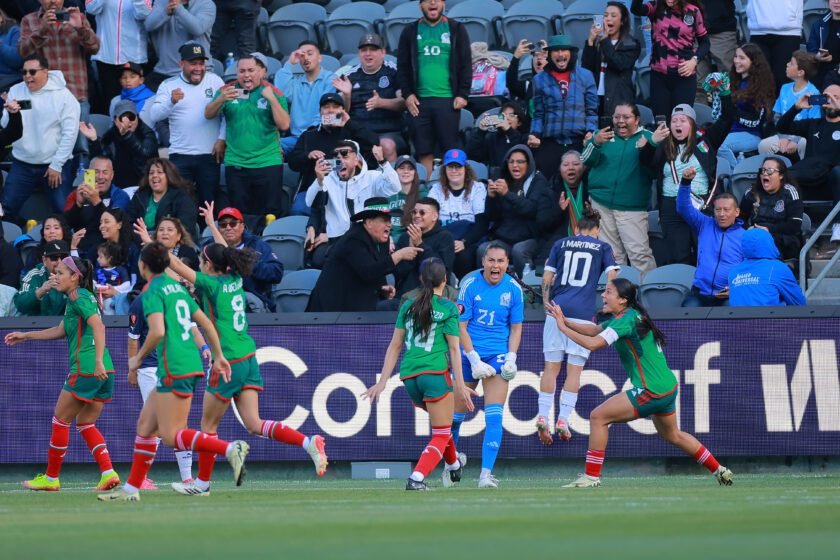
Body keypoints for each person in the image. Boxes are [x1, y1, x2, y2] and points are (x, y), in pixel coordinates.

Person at [165, 237, 329, 496]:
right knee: (254, 423)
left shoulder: (211, 283)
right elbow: (227, 254)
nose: (198, 265)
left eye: (200, 261)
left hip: (227, 359)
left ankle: (202, 484)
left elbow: (173, 264)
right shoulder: (235, 280)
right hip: (249, 358)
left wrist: (152, 242)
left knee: (208, 428)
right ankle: (309, 443)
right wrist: (211, 225)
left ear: (208, 264)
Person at [98, 241, 250, 502]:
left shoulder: (152, 292)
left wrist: (136, 359)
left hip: (173, 366)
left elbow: (156, 332)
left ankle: (229, 449)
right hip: (188, 364)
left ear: (142, 265)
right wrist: (220, 356)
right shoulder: (178, 290)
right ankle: (131, 490)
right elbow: (204, 324)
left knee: (171, 436)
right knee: (145, 426)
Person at [546, 279, 734, 488]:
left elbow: (592, 344)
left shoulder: (624, 321)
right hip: (668, 388)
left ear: (623, 300)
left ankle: (591, 477)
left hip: (650, 390)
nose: (603, 295)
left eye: (608, 292)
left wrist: (562, 328)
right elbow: (592, 331)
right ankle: (719, 469)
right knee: (673, 435)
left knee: (598, 417)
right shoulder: (628, 316)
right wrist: (563, 320)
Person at [6, 255, 119, 492]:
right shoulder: (80, 297)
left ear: (75, 277)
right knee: (86, 422)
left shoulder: (77, 296)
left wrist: (96, 361)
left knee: (60, 420)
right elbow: (61, 330)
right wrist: (26, 336)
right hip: (105, 370)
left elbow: (99, 326)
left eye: (59, 273)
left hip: (88, 367)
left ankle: (51, 478)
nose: (55, 277)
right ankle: (108, 472)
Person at [364, 258, 475, 491]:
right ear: (445, 280)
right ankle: (417, 478)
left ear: (421, 280)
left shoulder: (407, 305)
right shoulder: (448, 308)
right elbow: (455, 349)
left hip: (410, 377)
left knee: (441, 426)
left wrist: (383, 381)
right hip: (434, 373)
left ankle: (454, 464)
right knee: (442, 433)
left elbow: (395, 345)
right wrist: (461, 385)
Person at [538, 209, 617, 446]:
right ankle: (563, 419)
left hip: (557, 310)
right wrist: (608, 302)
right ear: (596, 230)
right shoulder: (602, 247)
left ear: (576, 229)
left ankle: (543, 415)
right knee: (574, 371)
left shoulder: (560, 244)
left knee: (550, 369)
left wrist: (545, 304)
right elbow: (612, 276)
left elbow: (546, 278)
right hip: (583, 315)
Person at [453, 242, 523, 488]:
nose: (495, 266)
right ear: (483, 262)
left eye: (500, 261)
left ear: (506, 264)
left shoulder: (514, 289)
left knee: (494, 417)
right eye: (491, 261)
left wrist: (511, 357)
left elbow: (516, 328)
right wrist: (473, 358)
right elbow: (460, 326)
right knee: (455, 417)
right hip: (468, 354)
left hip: (497, 356)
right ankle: (451, 464)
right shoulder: (469, 284)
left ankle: (485, 475)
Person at [127, 283, 207, 489]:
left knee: (167, 423)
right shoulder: (141, 302)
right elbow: (133, 339)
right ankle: (143, 478)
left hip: (171, 368)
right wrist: (134, 368)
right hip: (150, 369)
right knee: (157, 423)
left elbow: (194, 328)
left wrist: (205, 347)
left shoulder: (173, 300)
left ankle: (187, 477)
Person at [642, 92, 734, 266]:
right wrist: (652, 142)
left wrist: (725, 95)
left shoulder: (705, 141)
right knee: (678, 256)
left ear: (692, 124)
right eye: (674, 120)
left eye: (683, 120)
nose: (678, 124)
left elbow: (727, 120)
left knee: (706, 254)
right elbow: (645, 162)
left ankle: (704, 290)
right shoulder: (663, 144)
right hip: (671, 206)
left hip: (700, 205)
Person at [205, 53, 290, 220]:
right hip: (236, 163)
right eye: (242, 71)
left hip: (268, 161)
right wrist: (220, 100)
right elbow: (208, 114)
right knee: (239, 215)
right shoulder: (227, 91)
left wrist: (272, 100)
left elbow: (285, 125)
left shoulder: (274, 93)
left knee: (270, 214)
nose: (246, 75)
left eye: (251, 70)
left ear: (262, 72)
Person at [306, 198, 423, 313]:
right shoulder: (353, 239)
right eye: (384, 220)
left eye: (390, 220)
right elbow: (368, 271)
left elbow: (378, 270)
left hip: (354, 305)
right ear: (368, 222)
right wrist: (399, 255)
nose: (389, 225)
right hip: (330, 309)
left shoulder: (382, 239)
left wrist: (380, 288)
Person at [397, 0, 471, 177]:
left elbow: (466, 64)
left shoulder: (456, 28)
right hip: (419, 101)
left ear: (443, 4)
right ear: (419, 6)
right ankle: (428, 186)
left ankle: (450, 189)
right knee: (423, 149)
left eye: (437, 0)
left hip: (448, 99)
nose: (432, 3)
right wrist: (407, 95)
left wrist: (463, 94)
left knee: (450, 148)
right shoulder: (409, 31)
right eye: (427, 0)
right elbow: (403, 66)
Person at [2, 53, 80, 222]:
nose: (27, 77)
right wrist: (9, 112)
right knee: (7, 208)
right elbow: (4, 123)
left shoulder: (64, 96)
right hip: (23, 163)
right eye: (24, 72)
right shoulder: (16, 90)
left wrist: (57, 165)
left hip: (53, 164)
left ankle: (65, 246)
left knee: (63, 210)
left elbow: (70, 134)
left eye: (32, 72)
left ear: (46, 72)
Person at [150, 43, 225, 209]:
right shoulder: (168, 85)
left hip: (209, 154)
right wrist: (171, 101)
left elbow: (227, 113)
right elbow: (154, 115)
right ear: (181, 64)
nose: (198, 68)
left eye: (201, 63)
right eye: (193, 63)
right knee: (183, 204)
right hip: (180, 154)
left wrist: (222, 137)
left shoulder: (215, 81)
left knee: (209, 204)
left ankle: (208, 235)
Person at [583, 102, 656, 273]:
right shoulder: (602, 135)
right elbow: (585, 160)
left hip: (632, 207)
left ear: (637, 119)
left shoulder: (648, 137)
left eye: (626, 117)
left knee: (639, 255)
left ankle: (648, 297)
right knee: (612, 256)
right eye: (617, 117)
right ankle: (617, 296)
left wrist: (650, 145)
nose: (620, 121)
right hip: (601, 205)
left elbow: (655, 168)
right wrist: (595, 142)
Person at [304, 140, 399, 269]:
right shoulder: (327, 180)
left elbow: (395, 187)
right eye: (336, 157)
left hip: (366, 240)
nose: (340, 160)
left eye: (345, 155)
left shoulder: (371, 177)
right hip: (337, 241)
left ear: (356, 160)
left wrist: (383, 162)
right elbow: (310, 202)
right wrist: (319, 180)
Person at [286, 92, 381, 210]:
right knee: (299, 208)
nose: (330, 110)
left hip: (348, 189)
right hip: (316, 188)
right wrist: (308, 156)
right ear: (320, 111)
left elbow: (374, 141)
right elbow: (292, 162)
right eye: (326, 107)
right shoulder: (309, 135)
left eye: (335, 107)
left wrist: (349, 123)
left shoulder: (352, 131)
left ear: (343, 110)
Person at [776, 85, 840, 253]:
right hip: (808, 181)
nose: (831, 101)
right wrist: (796, 108)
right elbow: (782, 127)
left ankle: (837, 232)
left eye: (837, 97)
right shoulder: (813, 124)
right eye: (827, 97)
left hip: (833, 187)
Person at [528, 34, 598, 179]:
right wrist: (534, 135)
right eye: (556, 50)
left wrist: (590, 131)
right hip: (551, 143)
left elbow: (592, 110)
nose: (560, 54)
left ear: (571, 53)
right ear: (550, 54)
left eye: (564, 50)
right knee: (550, 187)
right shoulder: (538, 79)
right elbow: (538, 113)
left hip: (579, 141)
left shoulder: (586, 76)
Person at [19, 0, 99, 125]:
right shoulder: (29, 20)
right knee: (46, 143)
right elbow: (23, 52)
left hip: (76, 94)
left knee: (81, 143)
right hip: (44, 97)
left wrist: (81, 29)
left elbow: (95, 48)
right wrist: (41, 30)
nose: (53, 1)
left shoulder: (78, 17)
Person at [677, 168, 745, 306]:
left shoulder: (746, 236)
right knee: (686, 318)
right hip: (699, 293)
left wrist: (737, 289)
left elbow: (751, 269)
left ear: (736, 212)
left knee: (731, 318)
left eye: (726, 209)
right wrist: (685, 183)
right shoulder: (704, 224)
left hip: (728, 294)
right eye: (718, 209)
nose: (721, 214)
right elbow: (683, 208)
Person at [631, 0, 710, 118]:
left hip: (684, 77)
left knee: (681, 121)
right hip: (659, 77)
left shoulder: (693, 11)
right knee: (661, 123)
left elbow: (705, 43)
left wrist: (694, 60)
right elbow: (636, 9)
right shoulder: (656, 6)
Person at [483, 145, 552, 276]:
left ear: (529, 163)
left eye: (520, 162)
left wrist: (507, 194)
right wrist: (491, 198)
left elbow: (532, 210)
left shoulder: (538, 180)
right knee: (484, 250)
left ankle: (527, 290)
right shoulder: (502, 179)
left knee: (519, 251)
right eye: (511, 161)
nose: (515, 165)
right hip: (504, 238)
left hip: (531, 238)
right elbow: (491, 216)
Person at [339, 33, 406, 162]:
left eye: (373, 49)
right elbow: (340, 114)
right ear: (359, 53)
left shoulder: (394, 72)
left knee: (386, 146)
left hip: (388, 132)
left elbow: (404, 102)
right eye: (364, 50)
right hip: (357, 132)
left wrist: (382, 103)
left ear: (383, 52)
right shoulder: (349, 75)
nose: (368, 54)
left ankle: (390, 181)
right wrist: (347, 96)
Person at [427, 149, 487, 279]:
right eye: (450, 166)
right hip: (444, 235)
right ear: (445, 169)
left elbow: (481, 223)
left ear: (465, 168)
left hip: (469, 237)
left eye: (458, 166)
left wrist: (464, 242)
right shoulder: (436, 189)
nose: (454, 171)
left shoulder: (477, 188)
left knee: (462, 256)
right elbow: (430, 219)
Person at [212, 204, 284, 313]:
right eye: (223, 225)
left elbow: (276, 272)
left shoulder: (258, 245)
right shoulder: (211, 248)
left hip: (251, 298)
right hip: (219, 295)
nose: (228, 228)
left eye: (233, 224)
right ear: (218, 229)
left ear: (242, 226)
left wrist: (247, 264)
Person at [716, 44, 775, 169]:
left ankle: (736, 173)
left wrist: (733, 112)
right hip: (730, 131)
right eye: (736, 56)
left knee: (720, 144)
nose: (737, 60)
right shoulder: (733, 80)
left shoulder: (760, 87)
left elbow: (757, 121)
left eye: (742, 58)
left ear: (753, 62)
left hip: (751, 134)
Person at [85, 0, 150, 113]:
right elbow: (91, 8)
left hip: (134, 55)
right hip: (106, 56)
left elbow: (143, 14)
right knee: (110, 101)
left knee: (135, 101)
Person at [274, 41, 337, 155]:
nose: (306, 58)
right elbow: (281, 93)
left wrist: (311, 134)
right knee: (270, 147)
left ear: (319, 58)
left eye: (310, 53)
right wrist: (289, 63)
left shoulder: (330, 79)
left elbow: (329, 110)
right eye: (302, 55)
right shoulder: (296, 82)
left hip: (321, 136)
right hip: (296, 138)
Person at [80, 99, 159, 188]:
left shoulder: (147, 134)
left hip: (143, 185)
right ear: (115, 120)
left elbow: (144, 155)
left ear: (137, 117)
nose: (128, 122)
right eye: (123, 118)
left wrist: (127, 135)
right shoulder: (112, 134)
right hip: (118, 186)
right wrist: (94, 140)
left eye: (131, 118)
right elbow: (102, 160)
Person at [582, 1, 641, 117]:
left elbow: (619, 64)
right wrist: (590, 42)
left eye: (613, 16)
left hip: (619, 99)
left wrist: (604, 40)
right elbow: (586, 69)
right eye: (605, 15)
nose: (608, 19)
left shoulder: (631, 44)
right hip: (597, 99)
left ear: (622, 21)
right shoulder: (598, 42)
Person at [739, 157, 804, 261]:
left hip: (783, 239)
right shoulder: (751, 193)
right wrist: (748, 228)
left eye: (770, 171)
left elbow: (794, 225)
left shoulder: (790, 192)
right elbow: (740, 218)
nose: (765, 174)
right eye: (763, 170)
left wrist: (769, 229)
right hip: (756, 236)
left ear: (781, 175)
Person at [759, 51, 821, 160]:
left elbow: (814, 126)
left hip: (802, 137)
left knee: (803, 144)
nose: (787, 64)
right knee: (764, 145)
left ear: (800, 72)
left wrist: (794, 139)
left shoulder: (814, 93)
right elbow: (777, 117)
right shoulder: (785, 88)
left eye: (791, 63)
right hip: (782, 133)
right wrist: (782, 137)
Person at [144, 0, 216, 91]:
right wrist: (165, 12)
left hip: (198, 72)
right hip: (164, 72)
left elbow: (198, 28)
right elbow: (148, 25)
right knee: (147, 100)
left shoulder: (206, 3)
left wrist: (178, 8)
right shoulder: (161, 2)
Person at [728, 228, 806, 307]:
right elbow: (799, 303)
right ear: (769, 242)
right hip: (769, 318)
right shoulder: (777, 268)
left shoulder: (734, 272)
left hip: (737, 319)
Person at [394, 197, 454, 297]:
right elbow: (398, 273)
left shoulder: (445, 237)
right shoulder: (404, 237)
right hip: (405, 296)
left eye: (422, 212)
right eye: (414, 212)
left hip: (433, 296)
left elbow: (442, 273)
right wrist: (410, 252)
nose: (416, 216)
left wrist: (420, 244)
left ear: (434, 216)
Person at [746, 0, 803, 94]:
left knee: (784, 80)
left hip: (789, 31)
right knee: (759, 80)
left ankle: (785, 109)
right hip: (757, 28)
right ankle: (763, 109)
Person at [127, 158, 198, 234]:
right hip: (141, 240)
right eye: (151, 173)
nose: (154, 175)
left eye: (159, 172)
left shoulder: (182, 198)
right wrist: (142, 239)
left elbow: (185, 227)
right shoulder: (139, 196)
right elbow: (128, 222)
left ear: (169, 176)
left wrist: (154, 241)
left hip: (172, 241)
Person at [468, 101, 530, 170]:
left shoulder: (525, 138)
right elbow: (474, 157)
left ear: (519, 122)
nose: (506, 118)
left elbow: (519, 156)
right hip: (497, 177)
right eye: (503, 115)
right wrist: (480, 132)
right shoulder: (493, 137)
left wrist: (509, 130)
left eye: (511, 115)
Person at [13, 239, 68, 316]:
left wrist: (69, 291)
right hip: (38, 325)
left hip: (66, 323)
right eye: (54, 258)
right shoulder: (35, 275)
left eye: (63, 257)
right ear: (44, 260)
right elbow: (20, 305)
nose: (59, 262)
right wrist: (41, 291)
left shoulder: (75, 275)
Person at [388, 155, 426, 243]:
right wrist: (388, 239)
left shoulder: (423, 195)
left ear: (415, 173)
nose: (406, 172)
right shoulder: (386, 194)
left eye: (410, 169)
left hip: (411, 240)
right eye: (401, 168)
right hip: (387, 240)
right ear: (395, 172)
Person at [107, 63, 156, 127]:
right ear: (120, 81)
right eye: (124, 77)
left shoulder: (153, 100)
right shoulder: (115, 101)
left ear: (141, 80)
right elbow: (113, 126)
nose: (128, 80)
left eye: (132, 77)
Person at [807, 0, 840, 88]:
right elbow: (811, 50)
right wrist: (817, 57)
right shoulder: (818, 24)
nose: (836, 1)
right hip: (823, 71)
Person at [93, 240, 130, 315]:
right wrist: (97, 287)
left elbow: (127, 285)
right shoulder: (97, 270)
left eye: (100, 257)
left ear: (110, 258)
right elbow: (92, 282)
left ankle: (109, 324)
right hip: (98, 295)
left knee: (108, 304)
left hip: (111, 296)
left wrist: (113, 289)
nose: (97, 259)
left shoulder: (120, 270)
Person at [0, 8, 23, 92]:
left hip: (10, 80)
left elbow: (17, 61)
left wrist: (1, 46)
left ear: (1, 18)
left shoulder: (14, 31)